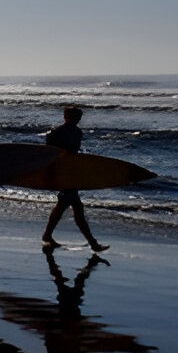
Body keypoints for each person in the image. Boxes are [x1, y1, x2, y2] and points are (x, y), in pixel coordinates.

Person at [41, 106, 109, 251]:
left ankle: (47, 236)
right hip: (62, 174)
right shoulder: (56, 134)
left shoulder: (77, 133)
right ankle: (93, 243)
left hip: (72, 174)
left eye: (79, 117)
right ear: (66, 116)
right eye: (74, 117)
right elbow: (49, 154)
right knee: (76, 208)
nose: (77, 120)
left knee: (63, 206)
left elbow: (75, 156)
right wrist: (50, 174)